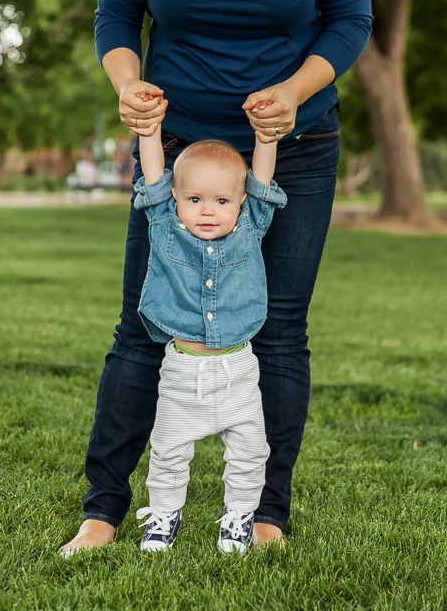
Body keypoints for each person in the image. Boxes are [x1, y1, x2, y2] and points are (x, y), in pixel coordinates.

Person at [61, 0, 372, 555]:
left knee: (279, 331)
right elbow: (115, 14)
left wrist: (297, 89)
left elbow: (349, 20)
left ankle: (265, 515)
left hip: (294, 146)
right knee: (143, 326)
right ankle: (104, 510)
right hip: (176, 155)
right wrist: (129, 84)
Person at [128, 101, 285, 555]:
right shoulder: (164, 226)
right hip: (181, 372)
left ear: (240, 203)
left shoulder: (251, 226)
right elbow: (156, 178)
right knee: (169, 452)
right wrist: (150, 130)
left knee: (251, 453)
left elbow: (260, 180)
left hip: (238, 370)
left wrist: (266, 138)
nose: (208, 211)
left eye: (221, 201)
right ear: (178, 199)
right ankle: (163, 517)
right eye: (195, 199)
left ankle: (238, 518)